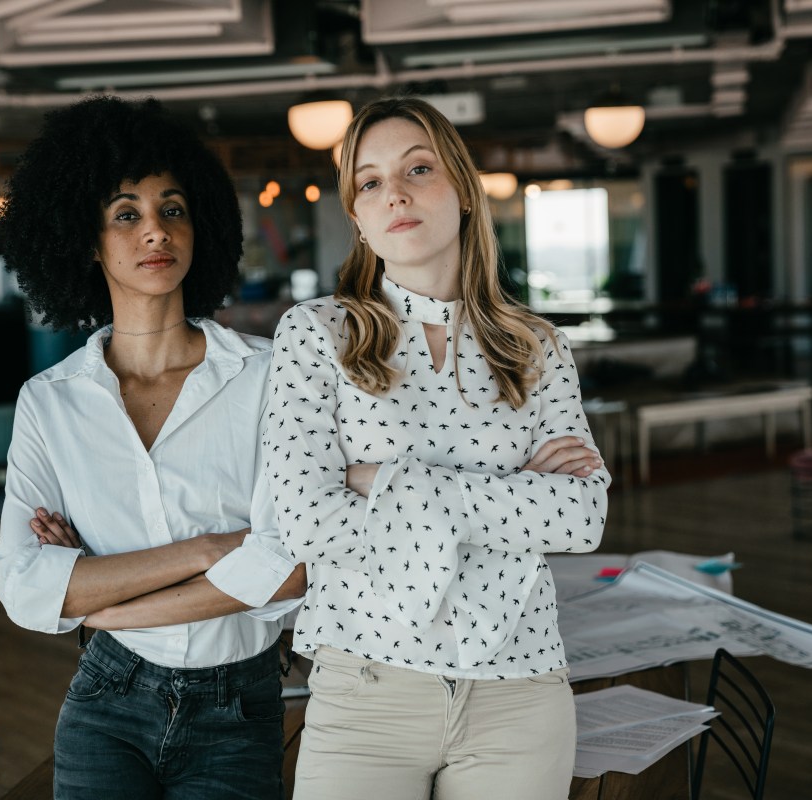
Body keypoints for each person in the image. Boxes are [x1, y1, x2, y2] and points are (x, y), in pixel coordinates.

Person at [262, 97, 611, 799]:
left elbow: (580, 519)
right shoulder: (316, 335)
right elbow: (302, 521)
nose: (394, 191)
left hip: (521, 689)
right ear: (357, 217)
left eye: (417, 168)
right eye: (369, 181)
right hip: (365, 690)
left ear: (461, 189)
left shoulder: (536, 346)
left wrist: (383, 480)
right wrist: (516, 495)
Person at [0, 96, 305, 800]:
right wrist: (205, 552)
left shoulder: (271, 376)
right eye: (126, 213)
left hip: (241, 703)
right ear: (86, 238)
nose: (155, 231)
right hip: (108, 700)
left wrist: (92, 592)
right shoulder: (50, 401)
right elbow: (21, 586)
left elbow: (287, 570)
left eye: (174, 209)